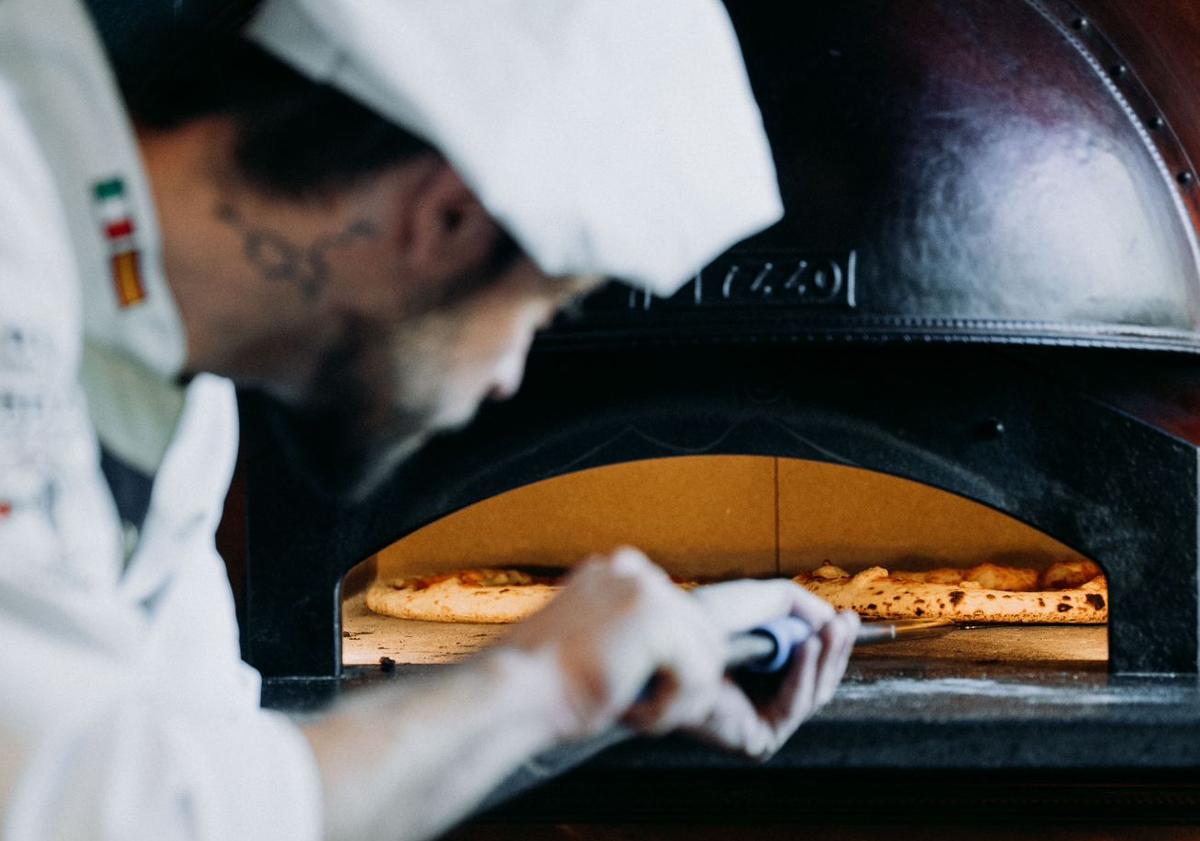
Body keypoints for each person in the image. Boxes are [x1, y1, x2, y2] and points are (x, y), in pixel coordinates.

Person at [0, 0, 861, 839]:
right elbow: (92, 811)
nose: (508, 378)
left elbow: (231, 783)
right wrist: (542, 681)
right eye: (540, 312)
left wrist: (603, 687)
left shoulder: (176, 392)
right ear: (444, 218)